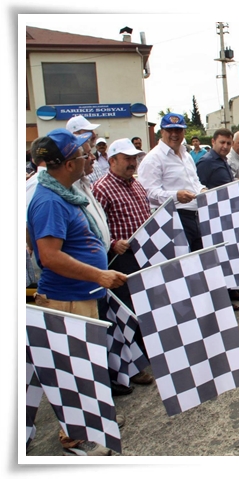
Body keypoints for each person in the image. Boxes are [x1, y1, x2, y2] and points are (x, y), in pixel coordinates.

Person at [26, 128, 128, 456]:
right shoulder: (49, 200)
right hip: (67, 299)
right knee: (73, 373)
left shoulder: (64, 192)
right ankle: (74, 437)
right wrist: (98, 274)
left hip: (81, 295)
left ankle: (90, 423)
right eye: (83, 155)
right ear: (68, 164)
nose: (88, 158)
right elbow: (49, 256)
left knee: (86, 368)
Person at [91, 138, 155, 387]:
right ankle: (133, 366)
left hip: (143, 254)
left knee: (145, 304)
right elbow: (95, 227)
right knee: (126, 312)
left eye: (134, 158)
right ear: (112, 160)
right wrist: (112, 243)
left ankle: (147, 354)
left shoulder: (137, 185)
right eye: (127, 159)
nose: (132, 163)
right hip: (119, 259)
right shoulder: (101, 188)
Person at [196, 129, 239, 303]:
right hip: (213, 218)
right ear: (213, 141)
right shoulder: (206, 162)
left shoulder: (222, 161)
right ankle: (223, 298)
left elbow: (229, 185)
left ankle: (231, 291)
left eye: (227, 143)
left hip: (226, 215)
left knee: (228, 255)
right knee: (216, 259)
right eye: (222, 142)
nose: (225, 146)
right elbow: (200, 189)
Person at [137, 113, 207, 251]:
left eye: (178, 130)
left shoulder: (187, 155)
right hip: (173, 218)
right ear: (162, 132)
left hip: (196, 217)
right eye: (170, 130)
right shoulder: (153, 158)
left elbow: (195, 182)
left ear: (184, 132)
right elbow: (148, 193)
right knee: (182, 265)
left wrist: (202, 190)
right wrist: (176, 196)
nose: (174, 134)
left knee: (200, 262)